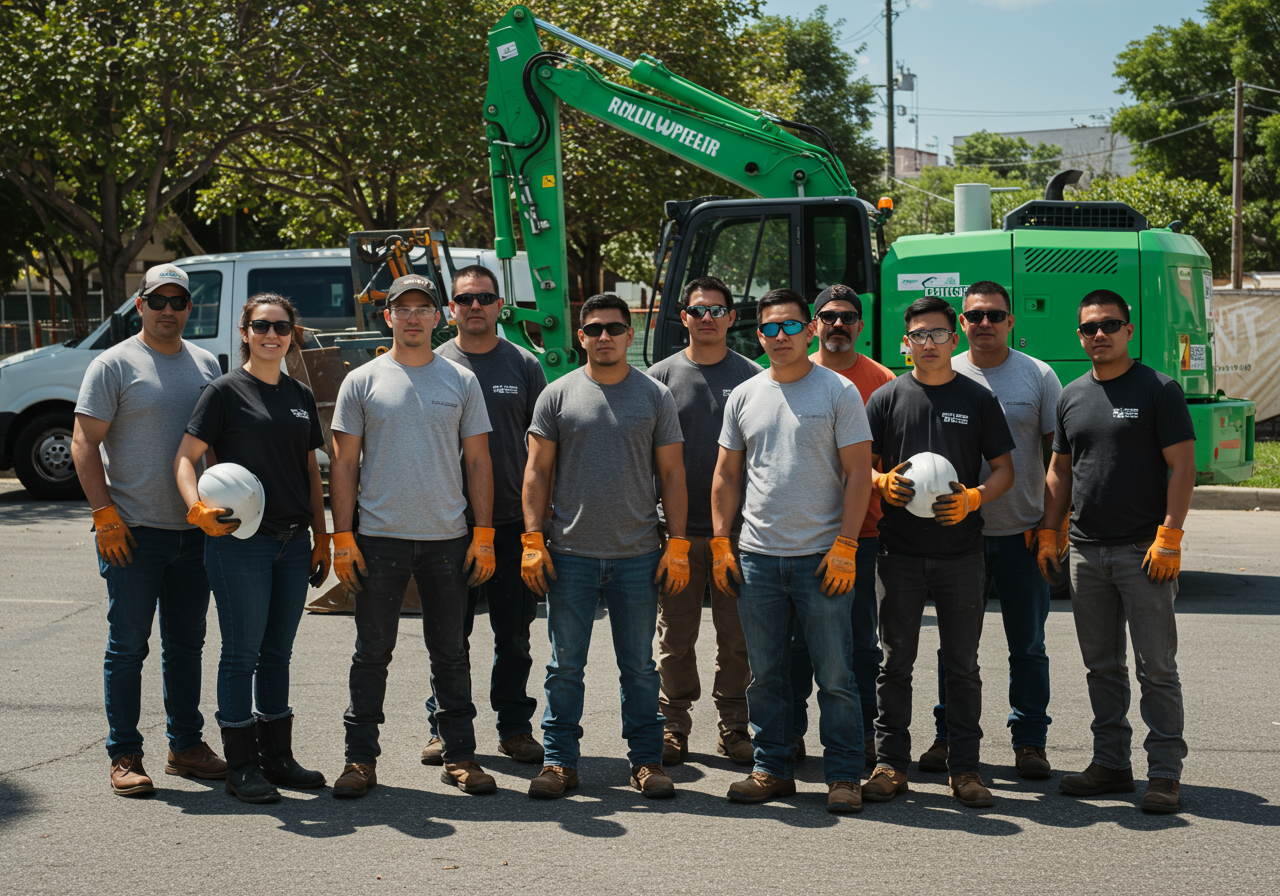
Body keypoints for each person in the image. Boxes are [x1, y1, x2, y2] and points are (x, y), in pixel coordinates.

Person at [326, 273, 498, 799]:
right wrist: (343, 537)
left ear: (437, 316)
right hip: (378, 540)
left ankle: (460, 756)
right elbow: (344, 463)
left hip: (448, 540)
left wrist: (484, 534)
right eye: (404, 309)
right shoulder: (362, 381)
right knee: (371, 652)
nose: (415, 317)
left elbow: (477, 460)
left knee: (451, 652)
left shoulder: (460, 381)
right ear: (389, 318)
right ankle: (360, 761)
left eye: (424, 308)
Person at [711, 287, 873, 814]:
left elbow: (858, 476)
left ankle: (844, 775)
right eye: (770, 329)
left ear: (809, 332)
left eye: (791, 327)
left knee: (836, 675)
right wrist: (721, 542)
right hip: (757, 558)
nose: (781, 337)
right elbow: (726, 475)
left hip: (823, 559)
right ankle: (772, 769)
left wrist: (846, 545)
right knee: (767, 674)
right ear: (759, 335)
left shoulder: (839, 392)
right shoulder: (744, 394)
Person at [521, 293, 688, 799]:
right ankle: (558, 762)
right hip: (569, 554)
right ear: (581, 336)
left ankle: (645, 761)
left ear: (629, 334)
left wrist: (678, 543)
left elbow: (673, 472)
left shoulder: (655, 396)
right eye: (594, 329)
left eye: (614, 328)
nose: (605, 337)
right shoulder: (557, 394)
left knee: (638, 666)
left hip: (638, 556)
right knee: (563, 666)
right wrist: (532, 538)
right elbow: (536, 471)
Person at [72, 264, 227, 796]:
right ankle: (124, 754)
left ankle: (185, 745)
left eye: (177, 301)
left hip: (194, 530)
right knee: (128, 646)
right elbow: (84, 443)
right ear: (139, 305)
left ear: (190, 308)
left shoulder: (207, 363)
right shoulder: (113, 364)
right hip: (132, 531)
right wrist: (104, 515)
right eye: (157, 300)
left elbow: (217, 443)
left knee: (186, 644)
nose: (167, 310)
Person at [1042, 289, 1194, 815]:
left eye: (1110, 325)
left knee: (1156, 668)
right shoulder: (1072, 395)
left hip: (1143, 551)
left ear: (1129, 330)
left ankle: (1165, 773)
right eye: (1090, 328)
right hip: (1086, 554)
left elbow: (1182, 467)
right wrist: (1049, 531)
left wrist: (1170, 534)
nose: (1099, 334)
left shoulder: (1159, 390)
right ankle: (1111, 763)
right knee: (1101, 667)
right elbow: (1061, 470)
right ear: (1079, 335)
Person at [175, 292, 330, 804]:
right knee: (241, 654)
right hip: (239, 542)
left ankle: (277, 758)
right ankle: (241, 766)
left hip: (293, 541)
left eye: (281, 327)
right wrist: (195, 507)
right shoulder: (223, 392)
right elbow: (186, 457)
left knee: (277, 653)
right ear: (244, 332)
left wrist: (322, 533)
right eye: (261, 326)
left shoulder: (299, 394)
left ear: (293, 334)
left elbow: (310, 469)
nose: (271, 335)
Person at [862, 295, 1015, 809]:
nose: (928, 344)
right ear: (906, 344)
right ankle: (890, 765)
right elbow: (859, 466)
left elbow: (1004, 472)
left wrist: (974, 498)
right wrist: (881, 481)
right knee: (894, 662)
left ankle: (965, 769)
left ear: (955, 339)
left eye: (938, 334)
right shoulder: (887, 399)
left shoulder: (978, 399)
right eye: (918, 336)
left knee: (961, 665)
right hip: (899, 553)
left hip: (961, 555)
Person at [918, 281, 1063, 781]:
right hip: (957, 537)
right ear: (961, 324)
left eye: (994, 316)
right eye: (974, 316)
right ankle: (949, 735)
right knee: (957, 648)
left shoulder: (1039, 377)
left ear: (1011, 321)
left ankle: (1029, 742)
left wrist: (1052, 526)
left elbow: (1058, 460)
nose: (984, 324)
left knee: (1028, 646)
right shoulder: (942, 370)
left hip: (1022, 534)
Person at [419, 265, 548, 767]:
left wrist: (541, 527)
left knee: (513, 635)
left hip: (514, 525)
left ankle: (514, 727)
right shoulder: (432, 363)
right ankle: (443, 724)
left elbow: (543, 451)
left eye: (485, 297)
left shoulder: (524, 365)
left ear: (500, 306)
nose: (475, 306)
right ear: (451, 308)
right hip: (449, 525)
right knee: (449, 637)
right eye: (465, 298)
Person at [645, 276, 761, 767]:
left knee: (738, 639)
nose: (707, 318)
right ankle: (673, 726)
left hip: (738, 535)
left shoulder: (756, 377)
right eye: (698, 311)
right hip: (677, 534)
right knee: (676, 637)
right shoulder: (659, 379)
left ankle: (735, 727)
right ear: (684, 318)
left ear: (733, 318)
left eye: (717, 310)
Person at [789, 283, 897, 769]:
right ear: (814, 325)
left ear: (859, 325)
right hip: (795, 537)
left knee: (858, 648)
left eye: (847, 317)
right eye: (828, 316)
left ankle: (862, 737)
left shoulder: (882, 381)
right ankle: (788, 736)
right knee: (794, 648)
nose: (838, 324)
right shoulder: (790, 372)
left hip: (863, 536)